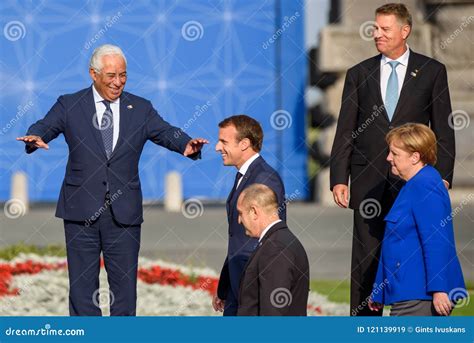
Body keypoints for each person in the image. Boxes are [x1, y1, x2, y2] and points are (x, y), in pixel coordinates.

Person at [16, 44, 208, 316]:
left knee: (125, 292)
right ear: (93, 74)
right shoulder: (70, 105)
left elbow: (164, 131)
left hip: (124, 213)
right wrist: (36, 137)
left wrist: (186, 144)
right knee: (82, 291)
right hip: (81, 211)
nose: (118, 82)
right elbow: (46, 125)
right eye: (111, 76)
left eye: (123, 75)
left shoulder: (140, 108)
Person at [329, 3, 455, 316]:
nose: (377, 34)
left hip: (411, 179)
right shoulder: (359, 73)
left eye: (385, 29)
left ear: (404, 30)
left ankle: (416, 316)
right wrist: (338, 178)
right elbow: (345, 130)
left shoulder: (432, 72)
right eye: (376, 28)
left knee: (411, 250)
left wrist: (443, 175)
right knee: (366, 256)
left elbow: (444, 129)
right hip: (367, 181)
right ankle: (363, 326)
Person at [369, 123, 466, 316]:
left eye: (395, 154)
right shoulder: (413, 185)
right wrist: (379, 289)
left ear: (415, 157)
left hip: (420, 293)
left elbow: (437, 240)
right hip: (409, 290)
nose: (388, 158)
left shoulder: (426, 184)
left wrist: (439, 289)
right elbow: (394, 242)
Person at [212, 115, 286, 316]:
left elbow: (269, 239)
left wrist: (251, 291)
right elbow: (237, 238)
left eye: (224, 142)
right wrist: (225, 286)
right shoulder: (247, 175)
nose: (217, 147)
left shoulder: (264, 179)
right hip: (238, 287)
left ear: (244, 144)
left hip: (252, 290)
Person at [235, 184, 309, 316]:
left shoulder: (275, 249)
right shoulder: (278, 240)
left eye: (240, 213)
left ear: (254, 212)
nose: (239, 220)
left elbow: (273, 312)